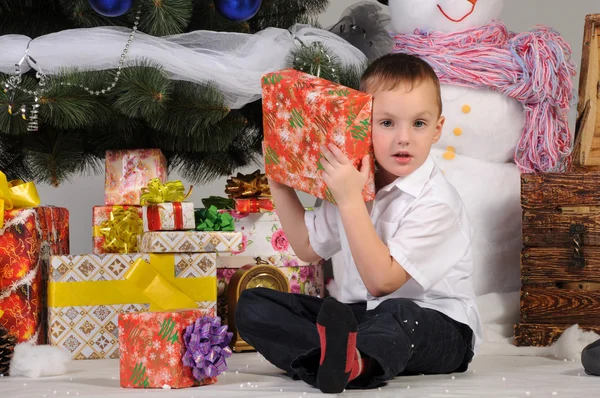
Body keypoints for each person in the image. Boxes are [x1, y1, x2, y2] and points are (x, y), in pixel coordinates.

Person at [234, 53, 483, 394]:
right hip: (360, 316)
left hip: (436, 324)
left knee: (397, 313)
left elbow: (383, 282)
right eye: (386, 123)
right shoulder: (353, 179)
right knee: (255, 305)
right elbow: (307, 249)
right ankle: (333, 359)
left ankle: (353, 362)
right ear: (363, 122)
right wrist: (278, 180)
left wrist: (351, 200)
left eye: (419, 124)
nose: (403, 138)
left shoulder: (438, 202)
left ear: (438, 128)